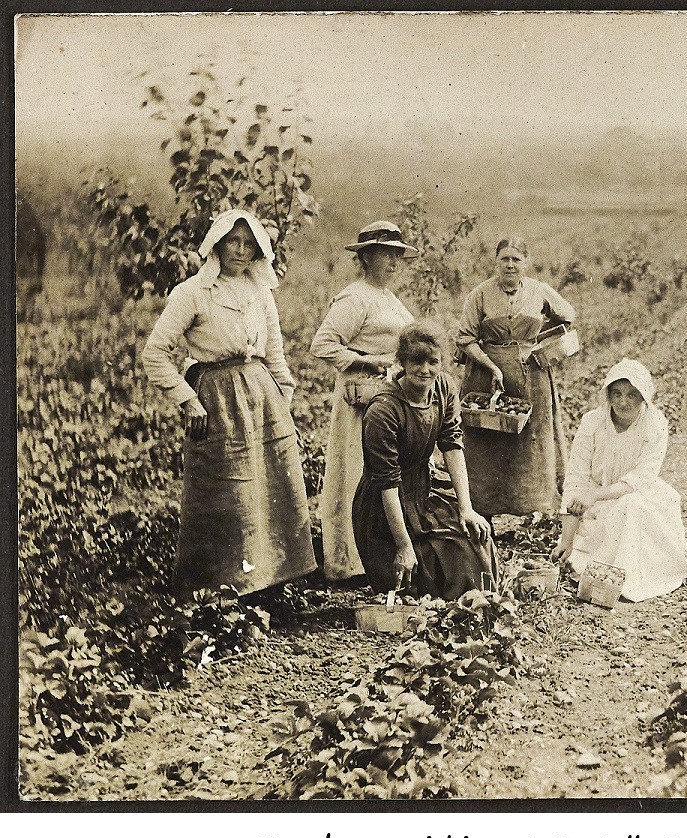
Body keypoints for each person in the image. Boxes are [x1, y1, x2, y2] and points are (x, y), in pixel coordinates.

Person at [142, 208, 316, 595]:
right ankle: (220, 588)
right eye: (233, 242)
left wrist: (283, 402)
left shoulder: (260, 291)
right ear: (217, 244)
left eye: (249, 244)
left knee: (269, 487)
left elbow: (275, 353)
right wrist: (188, 400)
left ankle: (269, 582)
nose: (240, 250)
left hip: (262, 396)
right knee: (227, 491)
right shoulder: (192, 293)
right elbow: (154, 353)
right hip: (216, 399)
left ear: (259, 251)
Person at [353, 320, 497, 599]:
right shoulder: (383, 411)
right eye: (416, 361)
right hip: (384, 510)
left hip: (423, 492)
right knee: (422, 582)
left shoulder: (444, 387)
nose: (425, 370)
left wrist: (466, 508)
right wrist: (403, 545)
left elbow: (452, 446)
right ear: (402, 363)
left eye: (433, 362)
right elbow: (387, 483)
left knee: (474, 549)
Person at [310, 221, 418, 582]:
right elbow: (323, 344)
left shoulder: (389, 299)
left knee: (386, 473)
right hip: (360, 398)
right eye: (387, 255)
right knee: (356, 473)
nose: (393, 262)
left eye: (397, 256)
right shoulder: (354, 298)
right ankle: (350, 561)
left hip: (388, 397)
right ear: (367, 256)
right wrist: (370, 361)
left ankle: (384, 554)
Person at [455, 236, 576, 516]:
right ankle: (481, 508)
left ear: (525, 263)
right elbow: (465, 339)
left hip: (531, 376)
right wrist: (491, 366)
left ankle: (535, 507)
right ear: (496, 262)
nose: (510, 265)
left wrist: (544, 338)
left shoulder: (539, 291)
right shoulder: (480, 294)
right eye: (504, 259)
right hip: (487, 376)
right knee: (487, 440)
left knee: (531, 438)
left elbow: (567, 316)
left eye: (516, 259)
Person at [553, 359, 687, 602]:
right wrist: (567, 539)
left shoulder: (655, 425)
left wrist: (594, 495)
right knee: (579, 553)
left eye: (632, 394)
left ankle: (629, 579)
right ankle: (601, 572)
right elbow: (576, 479)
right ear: (607, 394)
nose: (622, 401)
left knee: (631, 507)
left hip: (640, 497)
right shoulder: (592, 423)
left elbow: (640, 480)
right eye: (616, 393)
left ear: (644, 397)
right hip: (596, 502)